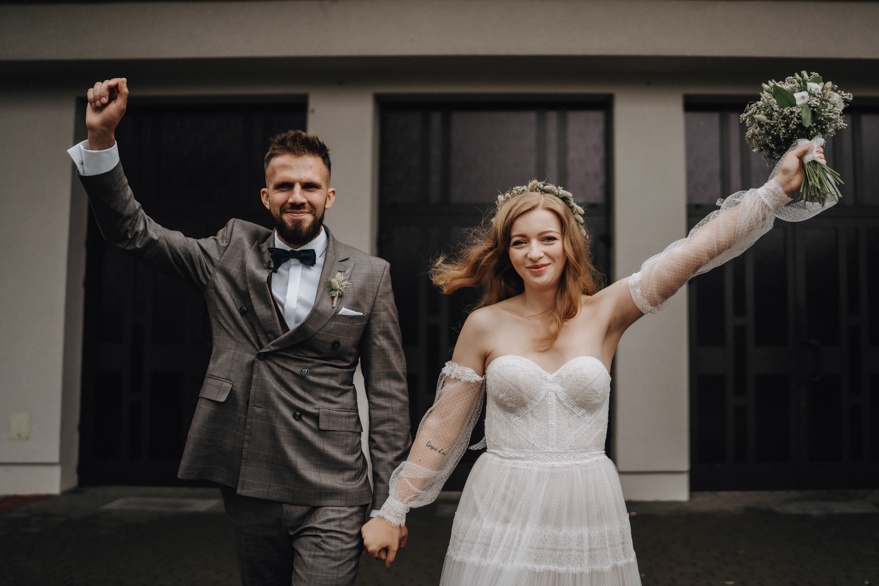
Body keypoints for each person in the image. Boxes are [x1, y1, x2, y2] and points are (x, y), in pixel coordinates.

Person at [361, 140, 829, 584]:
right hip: (501, 502)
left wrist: (775, 190)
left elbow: (694, 253)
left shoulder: (607, 312)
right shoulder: (484, 324)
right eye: (520, 242)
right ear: (507, 251)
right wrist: (393, 510)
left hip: (585, 503)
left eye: (547, 238)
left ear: (569, 244)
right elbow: (443, 427)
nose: (534, 253)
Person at [70, 78, 411, 586]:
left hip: (334, 481)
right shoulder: (230, 251)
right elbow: (134, 232)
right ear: (266, 196)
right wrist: (102, 139)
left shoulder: (369, 274)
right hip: (251, 472)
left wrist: (391, 505)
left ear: (330, 195)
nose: (298, 197)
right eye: (285, 187)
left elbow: (388, 397)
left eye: (310, 187)